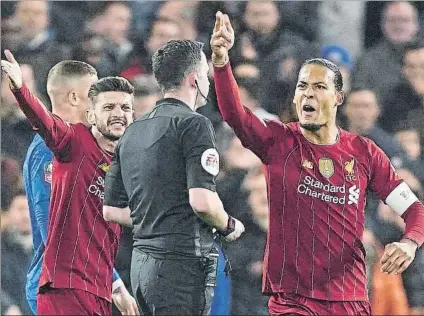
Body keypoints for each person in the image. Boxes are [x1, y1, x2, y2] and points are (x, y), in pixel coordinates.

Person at [210, 12, 424, 315]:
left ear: (338, 98)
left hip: (349, 300)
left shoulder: (364, 152)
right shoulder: (278, 142)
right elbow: (234, 114)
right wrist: (221, 60)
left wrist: (410, 243)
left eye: (319, 86)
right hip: (292, 301)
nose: (308, 92)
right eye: (302, 86)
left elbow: (414, 209)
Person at [102, 39, 245, 316]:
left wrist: (158, 217)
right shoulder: (194, 124)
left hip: (141, 266)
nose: (207, 82)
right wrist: (229, 225)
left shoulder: (132, 131)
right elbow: (202, 202)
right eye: (205, 75)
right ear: (194, 79)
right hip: (181, 266)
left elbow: (111, 210)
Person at [1, 50, 139, 316]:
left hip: (85, 281)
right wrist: (114, 282)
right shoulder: (50, 149)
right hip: (60, 284)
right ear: (75, 97)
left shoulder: (87, 147)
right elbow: (51, 223)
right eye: (94, 93)